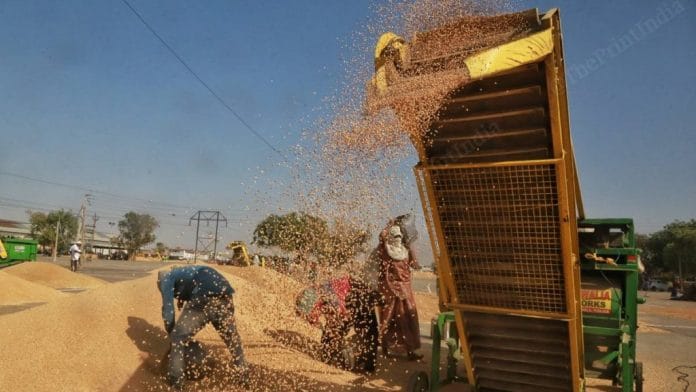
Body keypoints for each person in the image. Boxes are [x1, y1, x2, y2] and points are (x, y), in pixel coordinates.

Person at [157, 265, 248, 390]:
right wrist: (226, 322)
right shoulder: (188, 272)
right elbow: (196, 285)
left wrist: (172, 331)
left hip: (203, 297)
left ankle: (176, 382)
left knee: (178, 339)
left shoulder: (166, 278)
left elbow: (168, 311)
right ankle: (243, 378)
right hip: (225, 296)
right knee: (233, 340)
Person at [296, 275, 380, 372]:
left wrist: (337, 336)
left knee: (367, 331)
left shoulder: (325, 300)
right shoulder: (311, 296)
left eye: (307, 316)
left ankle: (365, 364)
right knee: (332, 336)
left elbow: (339, 316)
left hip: (355, 293)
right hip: (348, 292)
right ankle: (332, 354)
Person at [374, 218, 423, 360]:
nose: (397, 239)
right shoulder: (386, 251)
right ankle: (388, 349)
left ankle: (407, 351)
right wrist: (391, 224)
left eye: (398, 236)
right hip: (394, 292)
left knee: (404, 319)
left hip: (399, 292)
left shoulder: (393, 251)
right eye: (395, 236)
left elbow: (415, 265)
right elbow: (415, 265)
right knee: (390, 320)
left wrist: (390, 225)